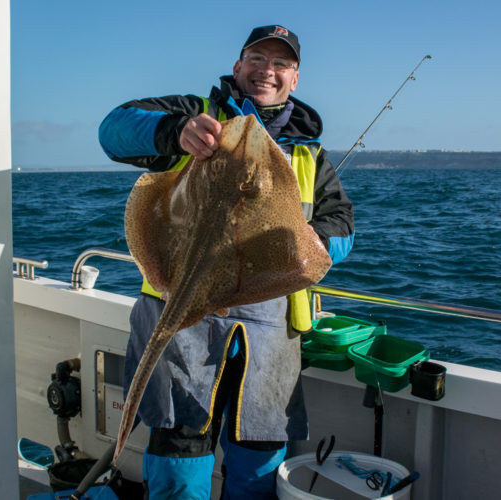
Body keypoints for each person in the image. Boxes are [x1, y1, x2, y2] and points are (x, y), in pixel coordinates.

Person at [98, 25, 355, 499]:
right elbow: (113, 131)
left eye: (280, 65)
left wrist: (319, 241)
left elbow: (341, 222)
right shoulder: (195, 114)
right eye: (257, 59)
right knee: (181, 454)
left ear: (294, 79)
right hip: (182, 311)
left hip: (268, 328)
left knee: (258, 461)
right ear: (238, 67)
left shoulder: (309, 154)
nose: (267, 72)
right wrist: (175, 133)